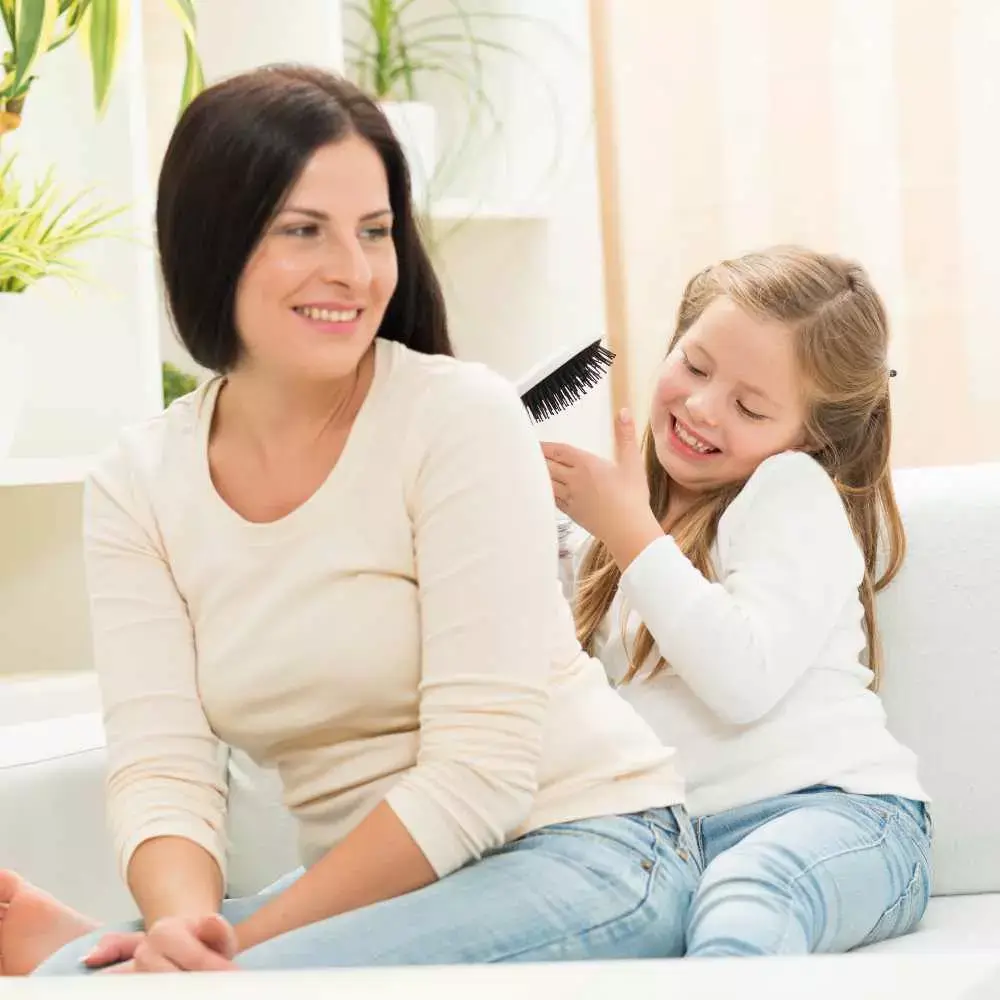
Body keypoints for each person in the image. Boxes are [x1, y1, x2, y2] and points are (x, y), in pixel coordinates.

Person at [0, 65, 700, 977]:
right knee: (153, 977)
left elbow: (480, 776)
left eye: (375, 232)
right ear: (211, 242)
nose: (355, 270)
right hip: (387, 894)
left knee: (181, 986)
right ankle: (90, 954)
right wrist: (183, 929)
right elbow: (162, 768)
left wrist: (238, 949)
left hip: (594, 850)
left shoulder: (458, 418)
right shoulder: (139, 481)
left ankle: (78, 954)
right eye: (303, 231)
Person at [543, 246, 932, 957]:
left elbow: (741, 680)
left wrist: (628, 531)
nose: (700, 407)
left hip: (840, 819)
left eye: (750, 406)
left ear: (808, 436)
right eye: (693, 366)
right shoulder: (615, 538)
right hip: (682, 838)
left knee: (750, 897)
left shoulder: (789, 492)